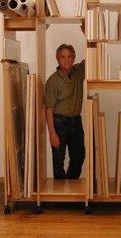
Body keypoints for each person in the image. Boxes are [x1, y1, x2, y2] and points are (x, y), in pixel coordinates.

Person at [44, 44, 85, 179]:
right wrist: (52, 133)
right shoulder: (53, 81)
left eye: (69, 56)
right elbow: (49, 109)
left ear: (74, 58)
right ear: (57, 59)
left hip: (76, 122)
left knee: (79, 157)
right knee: (58, 160)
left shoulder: (78, 71)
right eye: (62, 57)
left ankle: (70, 188)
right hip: (59, 124)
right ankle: (60, 194)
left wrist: (88, 35)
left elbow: (92, 55)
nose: (66, 60)